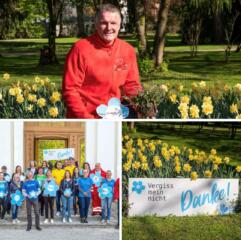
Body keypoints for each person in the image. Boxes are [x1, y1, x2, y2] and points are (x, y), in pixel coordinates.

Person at [62, 3, 142, 118]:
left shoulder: (127, 50)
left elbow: (132, 85)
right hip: (86, 116)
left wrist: (142, 105)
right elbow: (70, 90)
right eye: (104, 23)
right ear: (96, 24)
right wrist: (88, 119)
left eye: (113, 23)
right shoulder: (80, 49)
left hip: (114, 116)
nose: (109, 28)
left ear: (120, 25)